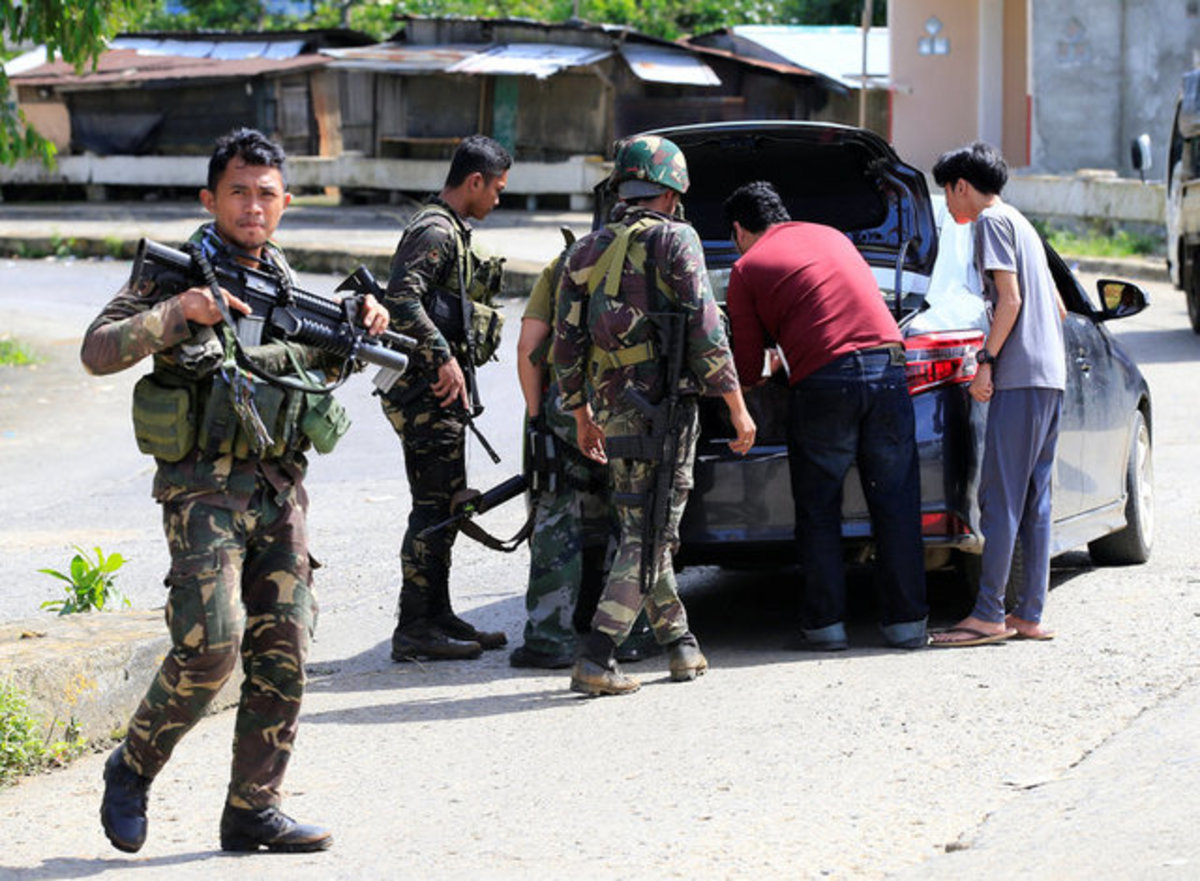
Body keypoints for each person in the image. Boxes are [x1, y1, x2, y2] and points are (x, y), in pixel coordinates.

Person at [83, 127, 389, 854]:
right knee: (210, 647)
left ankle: (254, 806)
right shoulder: (178, 274)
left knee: (284, 647)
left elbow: (302, 372)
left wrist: (354, 331)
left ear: (286, 201)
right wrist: (179, 313)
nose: (254, 206)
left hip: (279, 490)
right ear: (211, 198)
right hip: (202, 492)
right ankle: (131, 767)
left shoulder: (284, 279)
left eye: (267, 194)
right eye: (239, 192)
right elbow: (98, 349)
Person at [553, 135, 756, 696]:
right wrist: (736, 407)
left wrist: (581, 414)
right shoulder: (677, 240)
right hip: (665, 411)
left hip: (615, 410)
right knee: (653, 534)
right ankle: (597, 655)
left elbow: (565, 347)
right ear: (671, 191)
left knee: (640, 526)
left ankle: (680, 645)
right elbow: (706, 329)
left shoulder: (585, 250)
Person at [723, 180, 928, 652]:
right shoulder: (833, 236)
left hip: (825, 383)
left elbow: (748, 366)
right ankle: (907, 626)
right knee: (895, 503)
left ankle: (826, 628)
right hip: (888, 369)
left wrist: (771, 366)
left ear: (738, 229)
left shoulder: (747, 266)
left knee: (819, 509)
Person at [378, 135, 512, 662]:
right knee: (431, 511)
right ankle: (413, 627)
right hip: (425, 394)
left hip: (440, 395)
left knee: (447, 506)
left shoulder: (450, 229)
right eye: (497, 188)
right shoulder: (434, 232)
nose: (498, 199)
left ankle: (437, 613)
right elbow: (400, 300)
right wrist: (443, 356)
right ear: (474, 181)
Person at [929, 141, 1066, 647]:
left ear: (962, 185)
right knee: (1035, 500)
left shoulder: (990, 223)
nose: (947, 204)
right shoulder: (1023, 223)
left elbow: (1010, 299)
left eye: (947, 192)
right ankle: (1028, 614)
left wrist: (986, 361)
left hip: (1021, 375)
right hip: (1050, 376)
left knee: (1000, 497)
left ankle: (988, 613)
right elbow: (1056, 307)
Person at [510, 247, 657, 669]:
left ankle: (549, 639)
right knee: (629, 515)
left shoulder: (568, 261)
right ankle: (628, 636)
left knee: (559, 511)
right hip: (634, 401)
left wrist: (538, 418)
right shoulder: (660, 255)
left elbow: (528, 347)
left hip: (568, 400)